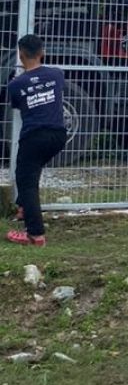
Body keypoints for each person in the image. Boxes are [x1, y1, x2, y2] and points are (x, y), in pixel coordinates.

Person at [5, 34, 67, 246]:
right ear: (43, 52)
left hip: (34, 136)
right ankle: (24, 208)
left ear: (20, 55)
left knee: (26, 180)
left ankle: (35, 234)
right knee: (30, 172)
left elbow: (18, 105)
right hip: (59, 135)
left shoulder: (15, 85)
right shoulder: (57, 75)